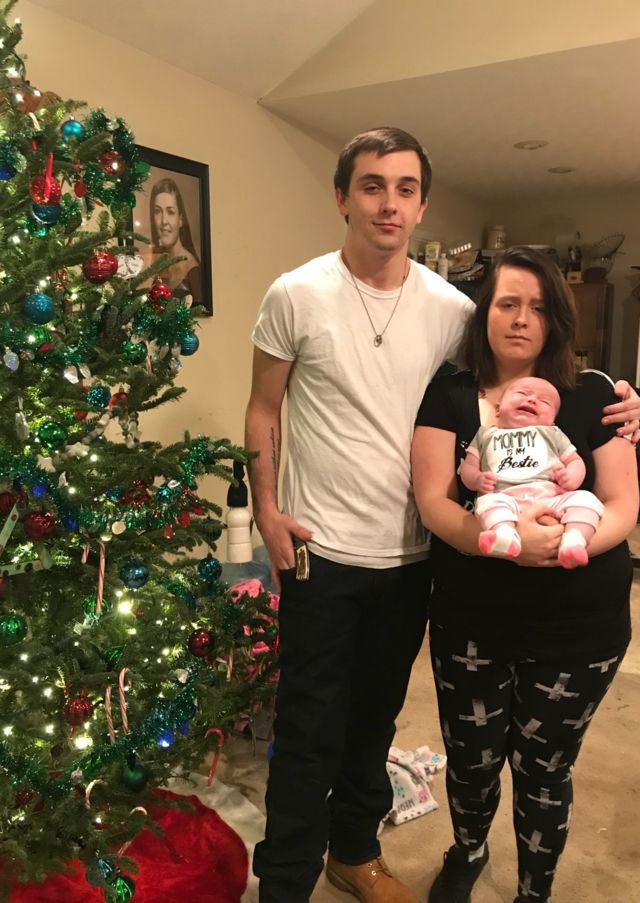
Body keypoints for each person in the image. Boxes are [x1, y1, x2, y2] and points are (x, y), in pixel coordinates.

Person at [244, 126, 640, 903]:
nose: (388, 204)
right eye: (371, 185)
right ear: (342, 197)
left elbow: (531, 368)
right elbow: (263, 409)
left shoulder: (456, 310)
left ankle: (354, 853)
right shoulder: (296, 293)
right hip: (321, 551)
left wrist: (625, 398)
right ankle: (285, 883)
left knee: (375, 723)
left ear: (422, 205)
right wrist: (266, 509)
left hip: (412, 559)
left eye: (405, 188)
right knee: (307, 728)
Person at [411, 245, 639, 903]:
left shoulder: (595, 395)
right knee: (472, 760)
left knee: (545, 770)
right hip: (472, 622)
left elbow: (623, 503)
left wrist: (564, 541)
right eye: (508, 303)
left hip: (580, 629)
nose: (520, 319)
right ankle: (468, 850)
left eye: (538, 307)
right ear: (484, 311)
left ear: (556, 320)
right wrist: (502, 547)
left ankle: (534, 891)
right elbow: (434, 502)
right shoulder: (448, 396)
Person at [459, 375, 603, 567]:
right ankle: (504, 534)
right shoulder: (485, 435)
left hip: (552, 498)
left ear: (552, 420)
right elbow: (468, 466)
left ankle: (574, 539)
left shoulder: (553, 434)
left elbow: (575, 461)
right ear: (498, 409)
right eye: (522, 393)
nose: (532, 400)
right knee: (487, 503)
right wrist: (476, 479)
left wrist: (571, 478)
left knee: (586, 499)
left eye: (544, 402)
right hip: (505, 497)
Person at [149, 176, 203, 305]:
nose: (164, 221)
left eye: (170, 212)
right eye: (157, 211)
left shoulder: (193, 271)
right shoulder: (158, 265)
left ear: (180, 219)